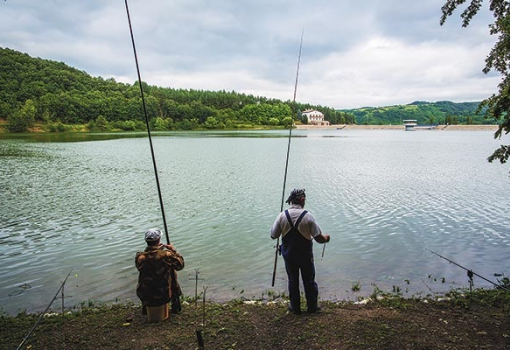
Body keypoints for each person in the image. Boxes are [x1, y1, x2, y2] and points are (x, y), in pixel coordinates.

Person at [270, 189, 330, 315]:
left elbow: (273, 235)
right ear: (302, 200)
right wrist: (326, 238)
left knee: (293, 281)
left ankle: (295, 308)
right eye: (305, 200)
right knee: (309, 281)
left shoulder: (282, 216)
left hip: (289, 256)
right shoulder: (308, 216)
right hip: (305, 257)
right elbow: (318, 238)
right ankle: (312, 307)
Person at [135, 228, 185, 315]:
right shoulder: (166, 255)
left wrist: (158, 250)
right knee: (171, 270)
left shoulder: (140, 257)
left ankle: (146, 308)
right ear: (159, 240)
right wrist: (173, 251)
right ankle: (175, 305)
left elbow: (151, 259)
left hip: (145, 295)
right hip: (163, 294)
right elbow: (180, 265)